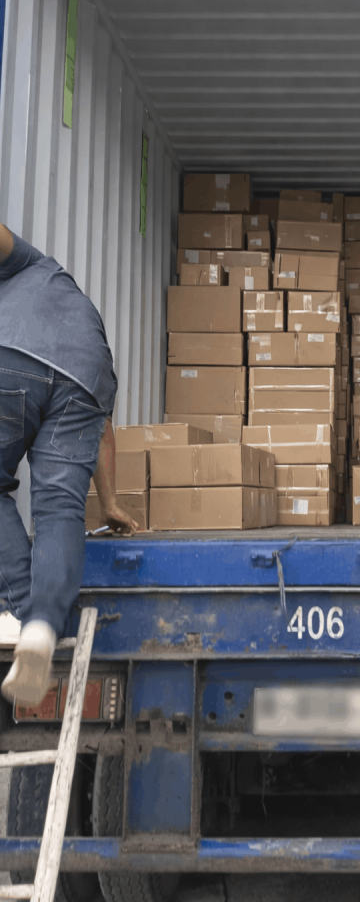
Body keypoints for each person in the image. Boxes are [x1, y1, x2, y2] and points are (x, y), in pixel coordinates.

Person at [0, 223, 138, 707]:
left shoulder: (29, 263)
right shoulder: (81, 318)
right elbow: (104, 431)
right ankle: (41, 628)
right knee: (61, 510)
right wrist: (113, 503)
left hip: (11, 356)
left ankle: (23, 612)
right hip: (87, 380)